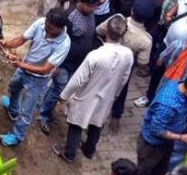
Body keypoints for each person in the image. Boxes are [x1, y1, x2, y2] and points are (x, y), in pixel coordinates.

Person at [53, 15, 132, 163]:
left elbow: (78, 79)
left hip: (87, 94)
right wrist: (115, 94)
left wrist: (64, 95)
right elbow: (124, 78)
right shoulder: (128, 55)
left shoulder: (96, 55)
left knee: (77, 123)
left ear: (106, 30)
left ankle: (69, 153)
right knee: (97, 122)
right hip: (108, 95)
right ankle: (89, 150)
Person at [0, 8, 72, 147]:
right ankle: (13, 109)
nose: (46, 28)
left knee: (27, 111)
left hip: (38, 80)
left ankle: (17, 136)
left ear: (60, 28)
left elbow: (45, 69)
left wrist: (20, 64)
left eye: (50, 27)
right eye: (46, 24)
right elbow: (22, 39)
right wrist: (6, 43)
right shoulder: (41, 23)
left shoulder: (64, 44)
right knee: (13, 86)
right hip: (24, 67)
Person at [39, 0, 101, 134]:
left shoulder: (90, 14)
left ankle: (45, 108)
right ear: (80, 2)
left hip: (77, 62)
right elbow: (59, 41)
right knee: (59, 89)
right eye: (90, 5)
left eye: (95, 5)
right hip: (64, 63)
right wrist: (55, 64)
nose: (93, 8)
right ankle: (43, 114)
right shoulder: (70, 18)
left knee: (58, 88)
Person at [106, 0, 156, 133]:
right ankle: (115, 117)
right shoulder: (146, 40)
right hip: (125, 67)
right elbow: (142, 62)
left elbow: (100, 31)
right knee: (122, 90)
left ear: (132, 10)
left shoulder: (117, 19)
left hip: (107, 59)